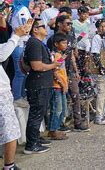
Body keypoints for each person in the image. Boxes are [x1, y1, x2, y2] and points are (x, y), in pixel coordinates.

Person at [23, 19, 62, 154]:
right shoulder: (34, 43)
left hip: (42, 83)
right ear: (35, 30)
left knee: (39, 113)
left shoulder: (38, 43)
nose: (46, 28)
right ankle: (31, 145)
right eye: (42, 26)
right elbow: (36, 66)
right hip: (38, 85)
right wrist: (53, 65)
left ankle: (35, 139)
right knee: (36, 114)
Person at [47, 15, 89, 132]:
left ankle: (77, 122)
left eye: (71, 23)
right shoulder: (53, 39)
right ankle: (56, 127)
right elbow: (53, 58)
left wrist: (76, 70)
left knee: (75, 96)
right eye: (67, 23)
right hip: (57, 74)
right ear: (59, 24)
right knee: (59, 102)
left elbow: (72, 57)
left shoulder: (71, 37)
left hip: (69, 72)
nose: (70, 26)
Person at [0, 21, 31, 169]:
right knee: (10, 130)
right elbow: (2, 55)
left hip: (3, 92)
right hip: (1, 93)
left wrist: (19, 36)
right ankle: (9, 166)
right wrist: (16, 36)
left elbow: (4, 48)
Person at [9, 0, 34, 103]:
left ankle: (21, 95)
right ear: (25, 1)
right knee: (20, 73)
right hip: (19, 44)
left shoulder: (21, 9)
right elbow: (25, 28)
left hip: (20, 43)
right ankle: (17, 97)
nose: (33, 3)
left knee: (23, 72)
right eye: (31, 1)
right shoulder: (23, 9)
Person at [47, 33, 69, 140]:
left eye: (66, 43)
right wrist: (62, 84)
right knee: (57, 109)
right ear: (56, 44)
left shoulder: (59, 55)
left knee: (61, 108)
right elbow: (55, 71)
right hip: (56, 87)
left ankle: (56, 128)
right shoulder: (55, 55)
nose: (66, 44)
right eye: (63, 43)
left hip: (61, 86)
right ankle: (52, 130)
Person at [90, 18, 105, 125]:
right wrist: (101, 68)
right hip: (100, 70)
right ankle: (98, 116)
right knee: (101, 93)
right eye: (101, 26)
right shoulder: (97, 38)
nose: (103, 28)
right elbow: (95, 54)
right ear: (97, 28)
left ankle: (103, 112)